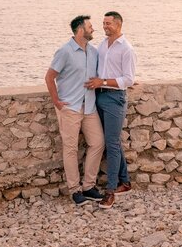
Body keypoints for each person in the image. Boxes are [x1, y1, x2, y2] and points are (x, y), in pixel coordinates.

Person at [45, 15, 105, 206]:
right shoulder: (65, 51)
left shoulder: (94, 52)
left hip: (89, 106)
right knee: (70, 149)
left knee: (97, 143)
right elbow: (49, 77)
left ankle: (89, 186)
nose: (93, 29)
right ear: (81, 30)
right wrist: (57, 102)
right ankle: (75, 190)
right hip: (70, 107)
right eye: (90, 26)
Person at [85, 11, 137, 209]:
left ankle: (110, 191)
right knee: (111, 142)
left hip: (115, 98)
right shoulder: (103, 45)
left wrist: (104, 82)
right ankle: (125, 182)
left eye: (108, 23)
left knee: (112, 144)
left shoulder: (127, 49)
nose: (105, 26)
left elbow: (128, 79)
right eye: (103, 23)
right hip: (99, 96)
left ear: (118, 24)